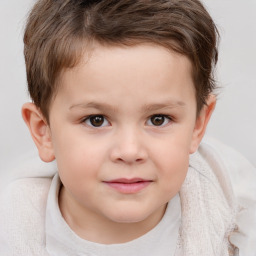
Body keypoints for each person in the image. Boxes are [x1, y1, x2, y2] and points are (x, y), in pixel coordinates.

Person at [0, 0, 255, 255]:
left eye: (158, 119)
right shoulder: (14, 233)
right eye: (96, 120)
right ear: (44, 132)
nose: (130, 151)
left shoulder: (234, 202)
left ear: (198, 125)